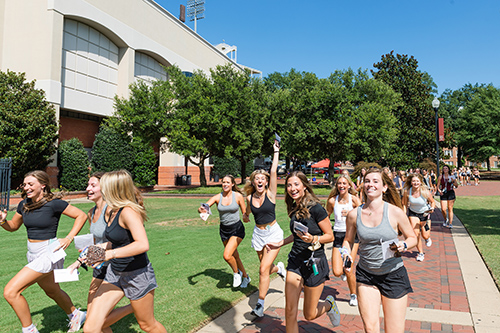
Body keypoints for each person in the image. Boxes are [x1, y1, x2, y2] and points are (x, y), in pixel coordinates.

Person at [0, 170, 88, 333]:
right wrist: (3, 221)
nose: (26, 187)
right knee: (52, 290)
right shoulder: (24, 204)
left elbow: (81, 215)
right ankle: (76, 315)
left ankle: (30, 330)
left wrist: (68, 238)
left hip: (50, 251)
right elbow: (13, 226)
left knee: (11, 292)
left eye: (30, 184)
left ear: (43, 185)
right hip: (32, 253)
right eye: (25, 184)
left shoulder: (54, 203)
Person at [82, 170, 166, 333]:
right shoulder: (112, 210)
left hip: (137, 275)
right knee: (91, 328)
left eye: (103, 185)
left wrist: (109, 255)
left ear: (113, 188)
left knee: (147, 325)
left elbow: (142, 244)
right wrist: (93, 251)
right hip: (115, 273)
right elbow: (116, 242)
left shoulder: (128, 211)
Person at [341, 168, 417, 333]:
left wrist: (404, 245)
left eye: (376, 181)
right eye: (367, 181)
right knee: (370, 328)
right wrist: (346, 254)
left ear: (384, 187)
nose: (370, 184)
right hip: (366, 275)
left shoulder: (395, 212)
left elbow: (413, 238)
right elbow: (348, 240)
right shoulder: (354, 215)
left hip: (393, 275)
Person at [266, 171, 339, 332]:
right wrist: (280, 243)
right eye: (289, 185)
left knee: (309, 314)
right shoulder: (294, 206)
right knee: (290, 311)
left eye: (296, 184)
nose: (292, 188)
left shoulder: (317, 209)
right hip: (296, 261)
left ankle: (329, 304)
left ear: (304, 186)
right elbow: (298, 234)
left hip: (315, 262)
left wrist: (313, 239)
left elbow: (330, 236)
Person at [68, 172, 133, 332]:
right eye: (88, 185)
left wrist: (99, 252)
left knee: (95, 321)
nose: (88, 189)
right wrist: (81, 259)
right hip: (99, 267)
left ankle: (135, 307)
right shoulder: (91, 213)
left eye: (93, 185)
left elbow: (122, 240)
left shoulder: (112, 210)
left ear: (104, 188)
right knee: (94, 320)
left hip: (115, 266)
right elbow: (95, 243)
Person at [243, 140, 286, 317]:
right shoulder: (249, 198)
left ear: (266, 182)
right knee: (266, 268)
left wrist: (276, 152)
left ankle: (260, 305)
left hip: (273, 233)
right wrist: (245, 217)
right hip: (258, 234)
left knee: (262, 269)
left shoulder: (271, 194)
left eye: (263, 178)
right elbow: (246, 214)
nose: (260, 180)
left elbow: (274, 171)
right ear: (253, 182)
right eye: (257, 178)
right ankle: (280, 269)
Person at [198, 175, 250, 288]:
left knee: (227, 256)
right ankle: (246, 277)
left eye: (227, 182)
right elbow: (205, 207)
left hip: (237, 229)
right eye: (223, 182)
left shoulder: (238, 196)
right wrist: (201, 209)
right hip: (224, 230)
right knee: (235, 256)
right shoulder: (218, 197)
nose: (225, 184)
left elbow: (245, 213)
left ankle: (237, 273)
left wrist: (246, 217)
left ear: (232, 184)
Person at [326, 175, 361, 306]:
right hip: (338, 236)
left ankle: (353, 295)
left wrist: (352, 216)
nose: (341, 186)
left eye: (344, 183)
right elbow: (326, 216)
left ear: (349, 185)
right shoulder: (332, 201)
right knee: (336, 271)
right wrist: (328, 227)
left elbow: (363, 216)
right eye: (339, 183)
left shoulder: (354, 200)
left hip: (352, 237)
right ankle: (344, 273)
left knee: (348, 269)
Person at [402, 174, 436, 262]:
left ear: (420, 182)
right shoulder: (407, 191)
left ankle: (427, 238)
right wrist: (404, 214)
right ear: (411, 182)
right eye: (413, 181)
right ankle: (420, 253)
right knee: (416, 234)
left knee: (425, 235)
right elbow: (404, 204)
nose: (415, 183)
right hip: (413, 213)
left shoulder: (425, 191)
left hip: (425, 213)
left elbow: (432, 202)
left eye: (417, 181)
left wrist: (432, 208)